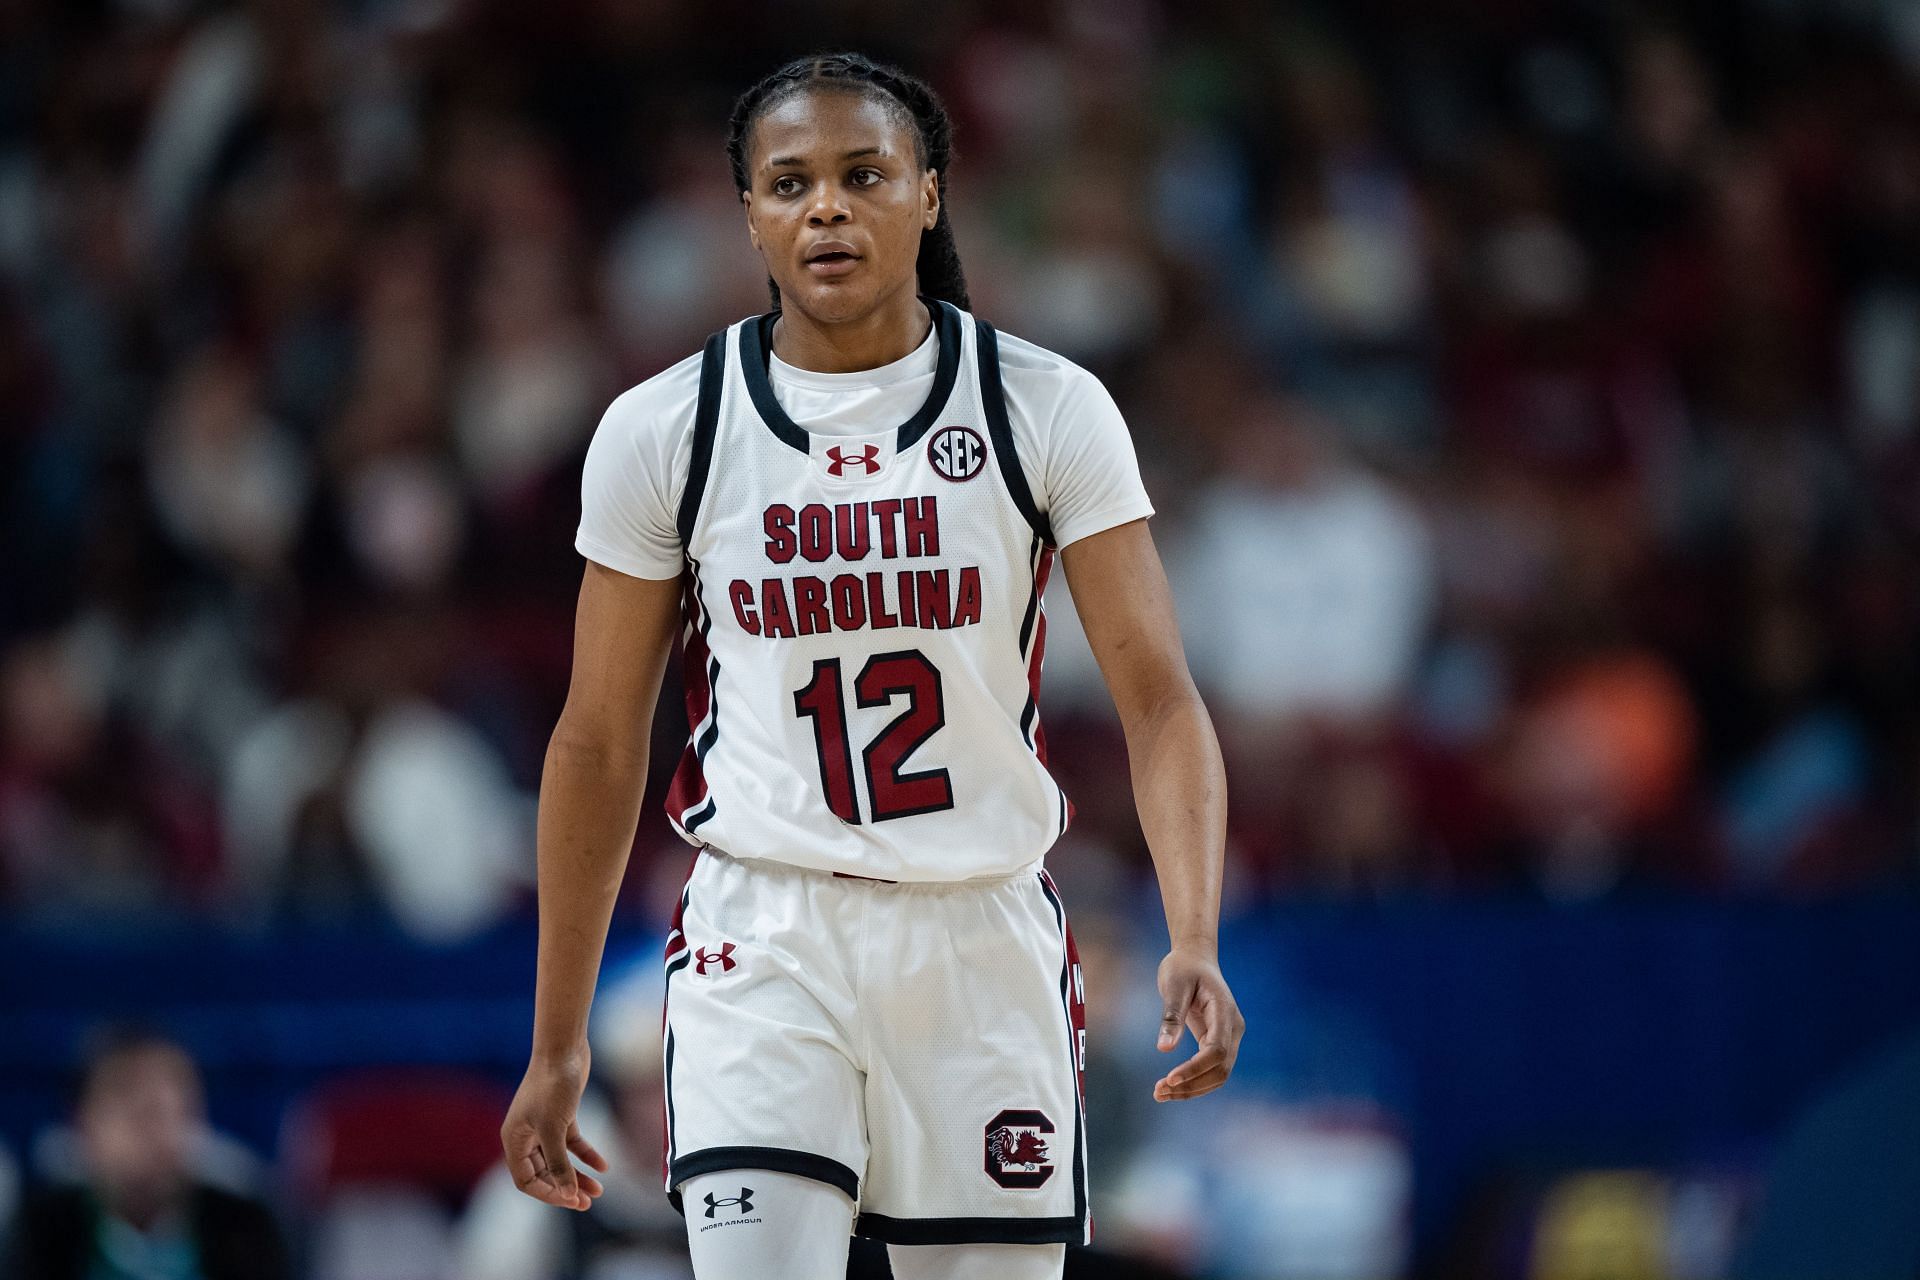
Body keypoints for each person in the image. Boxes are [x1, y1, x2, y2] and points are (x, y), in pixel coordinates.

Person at [499, 51, 1243, 1280]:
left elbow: (1161, 696)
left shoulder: (1044, 408)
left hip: (981, 936)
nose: (826, 207)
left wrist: (1193, 927)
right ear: (748, 212)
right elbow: (594, 739)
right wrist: (559, 1039)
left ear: (932, 192)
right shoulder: (664, 429)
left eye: (862, 174)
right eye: (789, 182)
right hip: (765, 933)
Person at [1, 1029, 289, 1280]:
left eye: (171, 1110)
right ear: (82, 1122)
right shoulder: (41, 1233)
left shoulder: (246, 1229)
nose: (154, 1133)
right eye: (134, 1113)